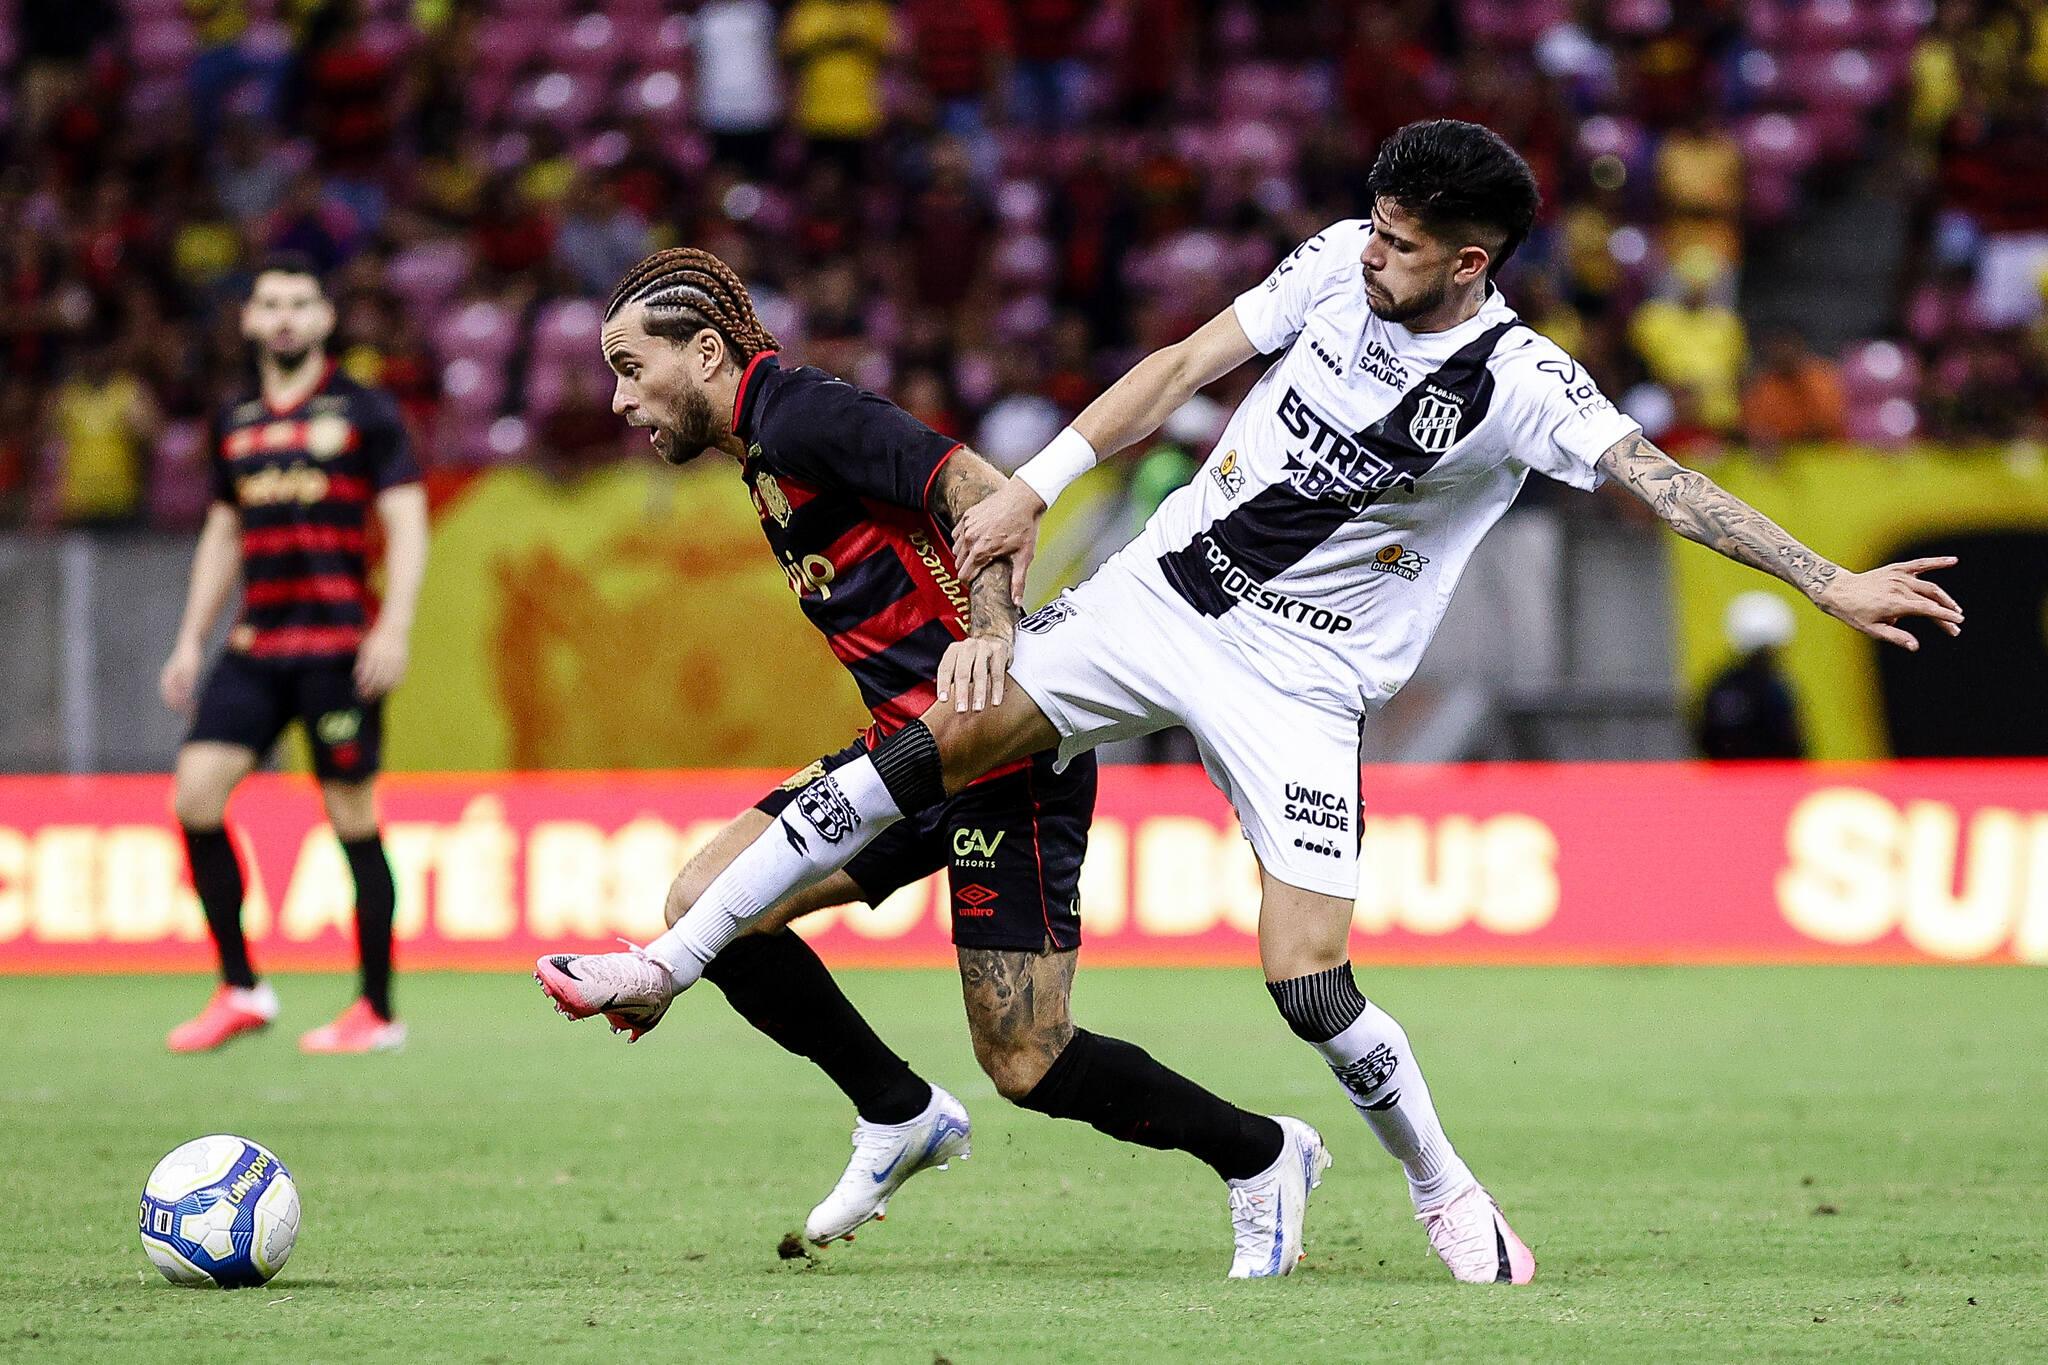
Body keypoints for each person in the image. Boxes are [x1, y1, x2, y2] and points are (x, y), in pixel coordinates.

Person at [540, 121, 1965, 1285]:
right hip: (1159, 602)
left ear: (1468, 262)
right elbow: (1179, 369)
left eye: (1404, 242)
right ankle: (670, 961)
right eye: (1375, 224)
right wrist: (1040, 488)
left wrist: (1828, 578)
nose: (1374, 250)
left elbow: (1667, 484)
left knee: (1308, 986)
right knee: (941, 738)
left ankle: (1439, 1182)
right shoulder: (1334, 265)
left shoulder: (1526, 385)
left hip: (1304, 679)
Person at [537, 249, 1310, 1274]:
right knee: (710, 902)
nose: (621, 397)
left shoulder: (803, 411)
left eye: (631, 368)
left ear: (707, 352)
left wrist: (989, 634)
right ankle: (896, 1111)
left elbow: (977, 488)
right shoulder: (761, 449)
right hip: (902, 761)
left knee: (1027, 1060)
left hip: (1000, 756)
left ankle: (1262, 1156)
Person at [158, 254, 430, 1055]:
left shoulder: (364, 411)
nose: (283, 316)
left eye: (299, 303)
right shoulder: (234, 418)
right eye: (269, 303)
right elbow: (222, 530)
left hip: (338, 646)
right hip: (254, 644)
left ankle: (376, 1010)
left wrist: (395, 626)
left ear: (323, 320)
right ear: (248, 320)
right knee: (195, 796)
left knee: (351, 816)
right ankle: (242, 986)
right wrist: (189, 637)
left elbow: (408, 520)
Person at [1696, 591, 1808, 760]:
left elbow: (1702, 736)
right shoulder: (1774, 688)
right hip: (1770, 779)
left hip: (1725, 781)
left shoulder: (1721, 683)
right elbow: (1791, 740)